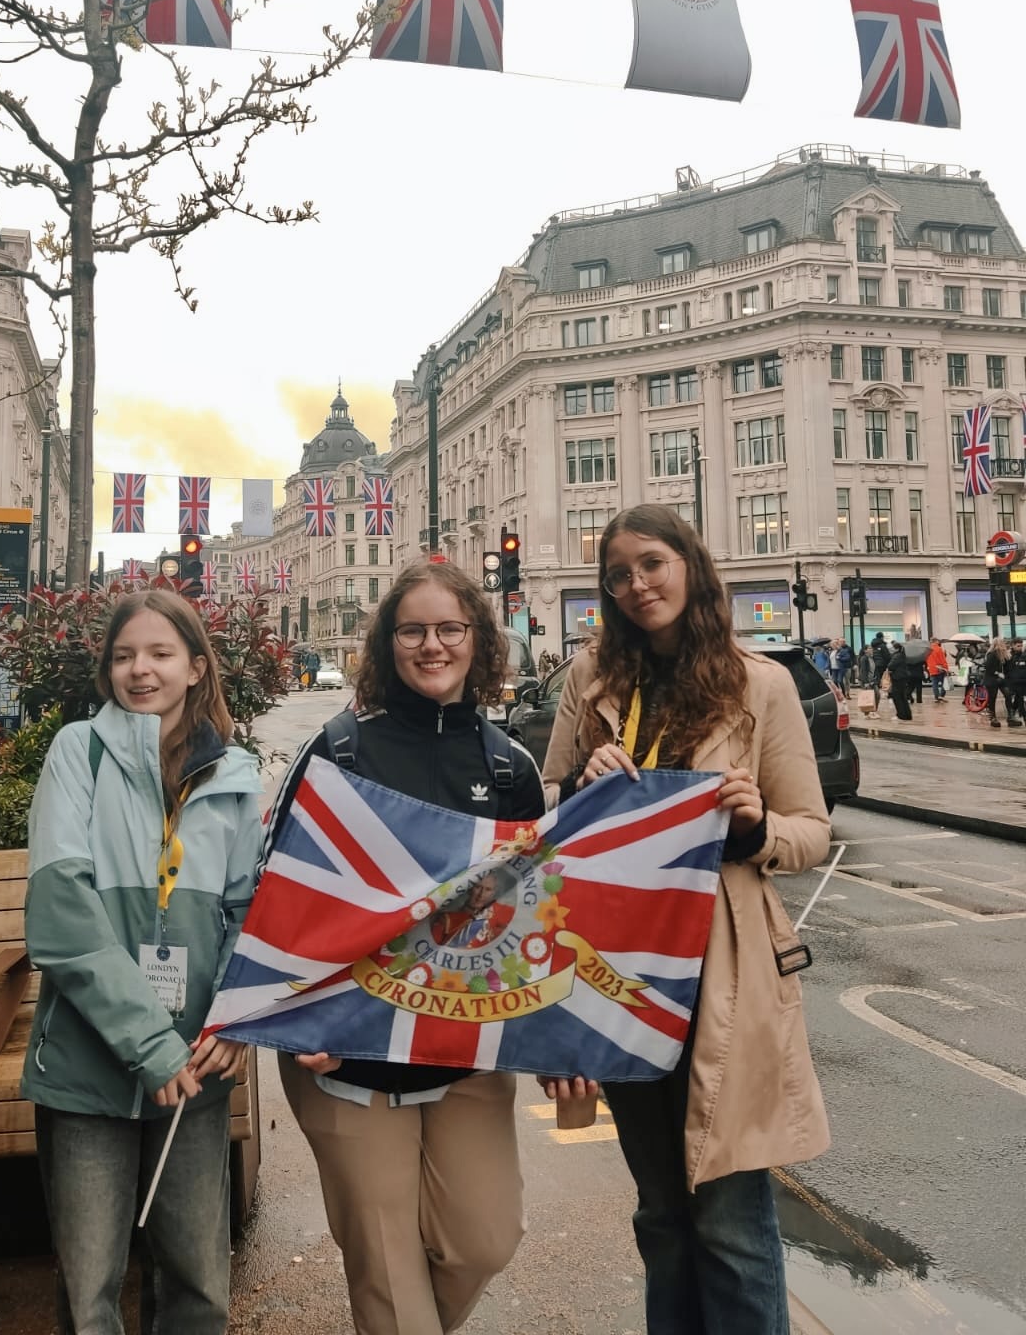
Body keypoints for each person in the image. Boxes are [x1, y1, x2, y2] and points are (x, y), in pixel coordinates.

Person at [540, 505, 831, 1335]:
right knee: (662, 1214)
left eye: (652, 564)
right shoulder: (591, 682)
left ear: (692, 567)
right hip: (620, 973)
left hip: (724, 971)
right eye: (619, 574)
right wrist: (581, 791)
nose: (636, 585)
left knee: (731, 1220)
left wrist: (754, 828)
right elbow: (547, 826)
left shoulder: (760, 684)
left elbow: (810, 830)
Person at [269, 559, 546, 1335]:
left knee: (483, 1241)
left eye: (450, 628)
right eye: (414, 629)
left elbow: (533, 921)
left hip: (462, 1052)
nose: (433, 645)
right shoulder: (339, 751)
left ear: (477, 639)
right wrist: (303, 1025)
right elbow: (278, 901)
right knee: (390, 1279)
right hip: (348, 1057)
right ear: (389, 643)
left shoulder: (509, 766)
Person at [21, 590, 263, 1335]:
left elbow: (248, 916)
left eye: (160, 654)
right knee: (90, 1289)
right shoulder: (77, 751)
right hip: (90, 1062)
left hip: (197, 1066)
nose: (140, 670)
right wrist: (150, 1047)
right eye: (124, 656)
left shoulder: (238, 774)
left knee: (199, 1288)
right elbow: (62, 915)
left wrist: (234, 1017)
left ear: (196, 667)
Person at [984, 637, 1013, 728]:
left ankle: (1010, 716)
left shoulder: (1005, 655)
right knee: (992, 698)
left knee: (1008, 694)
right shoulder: (992, 655)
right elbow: (989, 668)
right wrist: (998, 673)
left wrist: (1007, 675)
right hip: (992, 679)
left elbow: (1008, 668)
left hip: (1001, 679)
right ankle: (993, 717)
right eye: (1002, 643)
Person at [886, 641, 914, 721]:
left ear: (896, 649)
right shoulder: (902, 655)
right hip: (902, 678)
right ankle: (907, 715)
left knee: (897, 697)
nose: (891, 650)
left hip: (897, 678)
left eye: (893, 648)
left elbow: (890, 666)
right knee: (903, 697)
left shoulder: (897, 656)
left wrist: (890, 669)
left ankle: (901, 715)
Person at [1005, 639, 1026, 726]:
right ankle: (1024, 717)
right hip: (1014, 683)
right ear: (1013, 645)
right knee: (1020, 700)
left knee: (1018, 700)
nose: (1020, 648)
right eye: (1018, 646)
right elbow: (1006, 670)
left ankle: (1011, 717)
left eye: (1021, 646)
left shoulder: (1023, 655)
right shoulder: (1009, 656)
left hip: (1023, 682)